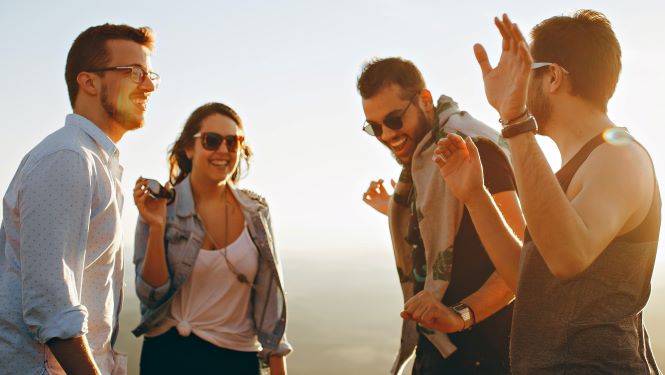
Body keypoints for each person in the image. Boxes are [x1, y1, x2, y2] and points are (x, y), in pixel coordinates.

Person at [426, 10, 661, 374]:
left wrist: (515, 119)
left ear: (552, 77)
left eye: (525, 72)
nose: (515, 84)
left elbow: (568, 257)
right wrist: (475, 195)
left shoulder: (619, 156)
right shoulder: (577, 167)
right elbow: (530, 280)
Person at [0, 24, 157, 375]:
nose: (147, 86)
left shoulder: (94, 161)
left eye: (149, 75)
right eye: (134, 72)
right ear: (89, 82)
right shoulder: (69, 157)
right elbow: (52, 307)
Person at [358, 57, 525, 374]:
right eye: (374, 127)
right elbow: (453, 231)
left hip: (484, 354)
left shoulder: (473, 149)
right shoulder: (424, 162)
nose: (386, 135)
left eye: (394, 120)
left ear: (423, 100)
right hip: (440, 351)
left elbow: (520, 262)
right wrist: (393, 210)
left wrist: (461, 316)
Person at [132, 102, 291, 375]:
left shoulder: (256, 213)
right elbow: (151, 294)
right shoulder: (160, 206)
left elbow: (270, 304)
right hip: (167, 358)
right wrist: (156, 227)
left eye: (233, 142)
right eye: (212, 141)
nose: (223, 151)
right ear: (189, 148)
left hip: (236, 361)